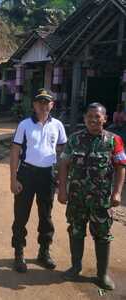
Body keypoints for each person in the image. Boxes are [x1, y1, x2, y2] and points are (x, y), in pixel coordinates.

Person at [58, 102, 126, 290]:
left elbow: (121, 167)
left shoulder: (114, 140)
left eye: (98, 116)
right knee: (76, 231)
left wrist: (117, 192)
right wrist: (62, 189)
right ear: (84, 118)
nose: (93, 120)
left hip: (101, 200)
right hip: (76, 198)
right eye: (90, 116)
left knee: (103, 236)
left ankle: (102, 274)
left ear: (105, 119)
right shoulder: (74, 139)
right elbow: (63, 164)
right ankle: (75, 267)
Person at [10, 89, 67, 272]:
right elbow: (15, 152)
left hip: (47, 176)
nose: (43, 105)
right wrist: (13, 179)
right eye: (39, 102)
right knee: (21, 215)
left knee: (46, 216)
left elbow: (62, 152)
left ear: (52, 105)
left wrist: (59, 175)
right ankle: (19, 253)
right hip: (26, 174)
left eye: (46, 102)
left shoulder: (57, 125)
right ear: (34, 105)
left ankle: (44, 252)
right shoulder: (25, 125)